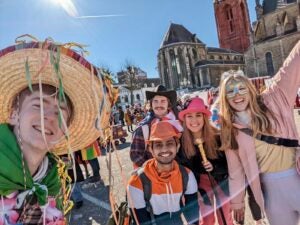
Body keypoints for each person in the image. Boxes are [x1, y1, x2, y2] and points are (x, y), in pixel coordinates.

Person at [0, 37, 113, 224]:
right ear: (14, 114)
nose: (50, 117)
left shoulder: (52, 184)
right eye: (38, 105)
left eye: (60, 112)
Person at [218, 41, 300, 225]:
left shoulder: (275, 99)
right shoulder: (230, 130)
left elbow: (292, 65)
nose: (237, 95)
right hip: (271, 194)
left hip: (296, 176)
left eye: (241, 88)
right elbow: (236, 172)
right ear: (225, 98)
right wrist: (237, 202)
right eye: (230, 91)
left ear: (250, 89)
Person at [127, 120, 199, 225]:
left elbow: (193, 213)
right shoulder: (136, 182)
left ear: (177, 147)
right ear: (150, 149)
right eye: (158, 145)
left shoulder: (187, 176)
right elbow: (141, 221)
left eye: (169, 143)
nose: (164, 149)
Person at [177, 97, 233, 225]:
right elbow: (182, 169)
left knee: (225, 217)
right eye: (189, 116)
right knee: (207, 219)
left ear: (204, 118)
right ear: (184, 120)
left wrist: (214, 167)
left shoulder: (217, 137)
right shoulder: (181, 143)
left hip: (220, 182)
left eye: (198, 115)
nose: (194, 120)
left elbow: (229, 165)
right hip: (200, 187)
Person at [130, 85, 182, 168]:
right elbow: (135, 154)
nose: (159, 104)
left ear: (168, 104)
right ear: (151, 104)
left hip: (178, 173)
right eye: (156, 101)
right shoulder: (143, 127)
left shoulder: (178, 123)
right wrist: (154, 170)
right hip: (155, 176)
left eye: (163, 101)